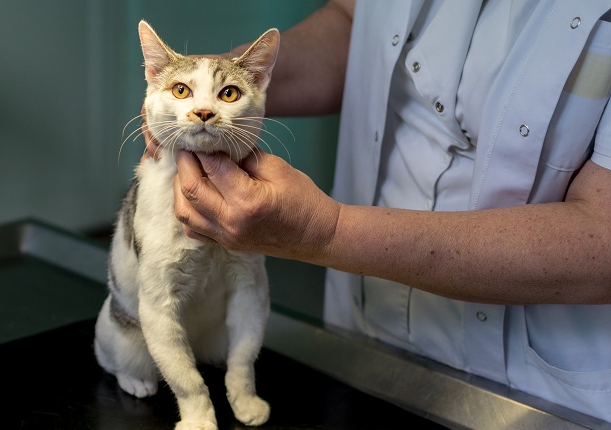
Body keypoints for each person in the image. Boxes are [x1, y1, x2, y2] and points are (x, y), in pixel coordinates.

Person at [147, 0, 611, 423]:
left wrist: (326, 234)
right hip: (364, 332)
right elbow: (352, 21)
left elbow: (602, 238)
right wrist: (212, 85)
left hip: (545, 386)